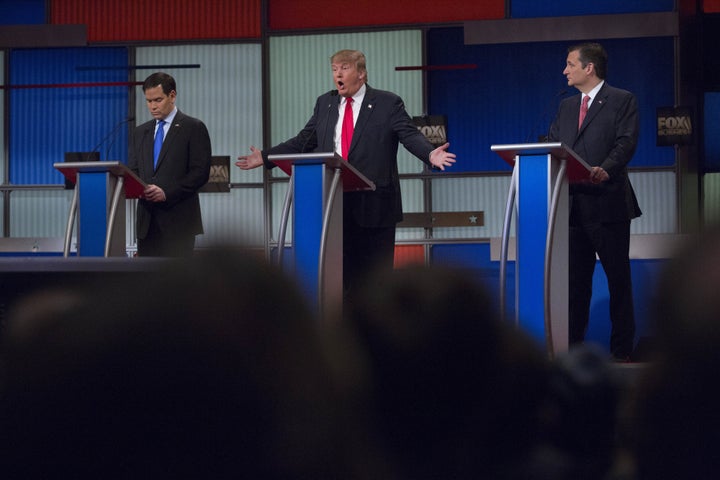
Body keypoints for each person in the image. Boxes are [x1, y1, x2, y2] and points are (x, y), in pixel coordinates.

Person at [236, 49, 456, 299]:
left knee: (375, 284)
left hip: (375, 207)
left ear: (361, 73)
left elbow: (410, 135)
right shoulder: (325, 104)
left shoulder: (387, 103)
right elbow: (304, 141)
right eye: (334, 69)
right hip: (334, 205)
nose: (337, 74)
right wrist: (266, 156)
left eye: (344, 68)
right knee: (340, 283)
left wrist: (430, 154)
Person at [547, 42, 641, 361]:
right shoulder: (566, 106)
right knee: (575, 285)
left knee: (618, 282)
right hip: (573, 208)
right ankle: (572, 352)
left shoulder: (621, 100)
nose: (565, 70)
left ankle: (622, 354)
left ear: (589, 68)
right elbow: (554, 142)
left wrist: (606, 169)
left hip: (608, 204)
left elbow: (625, 142)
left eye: (570, 64)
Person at [128, 72, 212, 257]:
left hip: (179, 222)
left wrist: (167, 192)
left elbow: (200, 173)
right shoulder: (140, 132)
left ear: (172, 95)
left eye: (158, 100)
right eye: (148, 101)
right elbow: (134, 170)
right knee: (149, 283)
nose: (152, 106)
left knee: (178, 284)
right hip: (146, 223)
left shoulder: (193, 127)